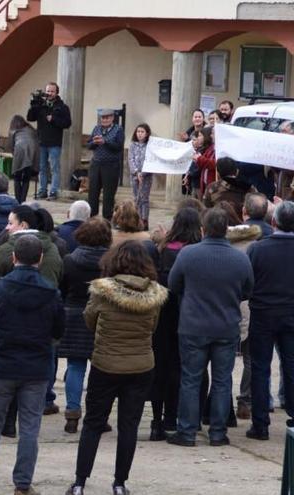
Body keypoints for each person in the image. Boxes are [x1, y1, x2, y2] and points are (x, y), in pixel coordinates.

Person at [65, 241, 167, 495]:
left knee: (93, 423)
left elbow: (90, 320)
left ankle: (80, 482)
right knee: (128, 426)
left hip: (106, 363)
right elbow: (153, 328)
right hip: (141, 365)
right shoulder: (154, 295)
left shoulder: (102, 292)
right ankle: (120, 483)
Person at [0, 235, 64, 495]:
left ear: (13, 257)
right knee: (30, 428)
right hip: (36, 367)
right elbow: (58, 330)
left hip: (3, 365)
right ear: (40, 259)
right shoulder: (51, 292)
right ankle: (22, 484)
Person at [167, 208, 253, 447]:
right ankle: (217, 431)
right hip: (226, 325)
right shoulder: (240, 258)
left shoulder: (188, 254)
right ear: (226, 229)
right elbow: (248, 290)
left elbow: (173, 284)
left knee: (191, 379)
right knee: (223, 381)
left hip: (193, 324)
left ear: (203, 229)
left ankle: (186, 431)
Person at [149, 207, 202, 440]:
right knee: (183, 368)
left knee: (161, 366)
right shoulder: (196, 252)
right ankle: (178, 416)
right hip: (187, 315)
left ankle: (157, 420)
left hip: (163, 314)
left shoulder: (162, 250)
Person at [57, 217, 112, 434]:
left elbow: (62, 288)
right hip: (101, 316)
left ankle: (72, 413)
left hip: (74, 314)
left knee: (75, 366)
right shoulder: (109, 263)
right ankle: (98, 415)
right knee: (100, 369)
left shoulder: (70, 260)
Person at [245, 201, 294, 440]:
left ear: (273, 222)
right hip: (290, 314)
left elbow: (248, 282)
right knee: (291, 365)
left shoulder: (258, 249)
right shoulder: (259, 248)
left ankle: (260, 424)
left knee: (260, 368)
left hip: (263, 313)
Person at [0, 205, 62, 287]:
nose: (7, 227)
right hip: (48, 297)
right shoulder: (53, 248)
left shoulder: (6, 250)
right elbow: (59, 275)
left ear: (23, 225)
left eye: (10, 223)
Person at [26, 82, 72, 200]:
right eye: (48, 91)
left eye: (52, 91)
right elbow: (30, 118)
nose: (49, 93)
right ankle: (42, 191)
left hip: (54, 143)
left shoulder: (62, 107)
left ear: (56, 93)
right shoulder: (41, 105)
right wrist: (34, 105)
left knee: (54, 168)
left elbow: (67, 123)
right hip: (41, 141)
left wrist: (54, 119)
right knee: (42, 168)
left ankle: (53, 191)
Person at [87, 108, 125, 220]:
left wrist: (105, 142)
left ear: (112, 118)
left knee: (108, 194)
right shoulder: (96, 128)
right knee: (93, 192)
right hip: (96, 164)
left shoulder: (118, 129)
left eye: (107, 117)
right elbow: (89, 145)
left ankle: (107, 218)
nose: (105, 120)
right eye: (103, 118)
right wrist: (94, 142)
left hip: (111, 165)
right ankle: (92, 217)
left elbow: (118, 147)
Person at [8, 115, 40, 203]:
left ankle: (17, 199)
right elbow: (37, 141)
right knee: (26, 178)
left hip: (19, 151)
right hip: (32, 152)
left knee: (17, 177)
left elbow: (11, 146)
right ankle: (23, 199)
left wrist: (14, 155)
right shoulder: (31, 129)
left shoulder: (13, 130)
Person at [129, 123, 152, 229]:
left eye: (142, 132)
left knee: (144, 198)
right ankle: (136, 219)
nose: (140, 134)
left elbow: (150, 161)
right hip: (134, 175)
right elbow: (131, 159)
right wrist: (136, 172)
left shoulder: (150, 145)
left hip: (146, 176)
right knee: (136, 197)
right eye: (138, 131)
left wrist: (143, 173)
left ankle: (144, 219)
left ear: (147, 133)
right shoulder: (133, 144)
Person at [192, 126, 216, 198]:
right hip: (205, 184)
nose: (212, 136)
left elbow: (213, 164)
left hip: (212, 185)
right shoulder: (209, 148)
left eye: (213, 134)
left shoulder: (216, 148)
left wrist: (199, 158)